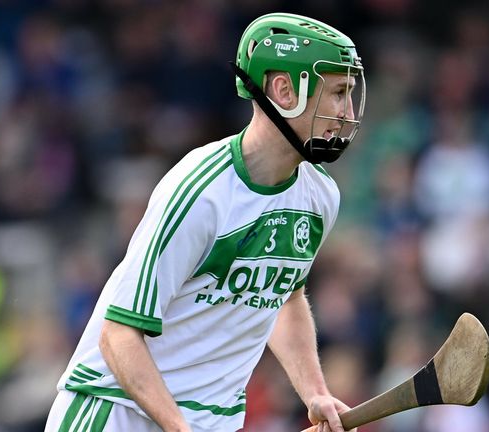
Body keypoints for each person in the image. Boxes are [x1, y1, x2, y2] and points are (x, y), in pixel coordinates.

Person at [45, 12, 365, 432]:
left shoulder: (319, 195)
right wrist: (180, 428)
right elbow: (118, 335)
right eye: (338, 93)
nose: (346, 112)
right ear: (285, 91)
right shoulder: (202, 191)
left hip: (203, 422)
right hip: (117, 413)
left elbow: (284, 299)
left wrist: (315, 392)